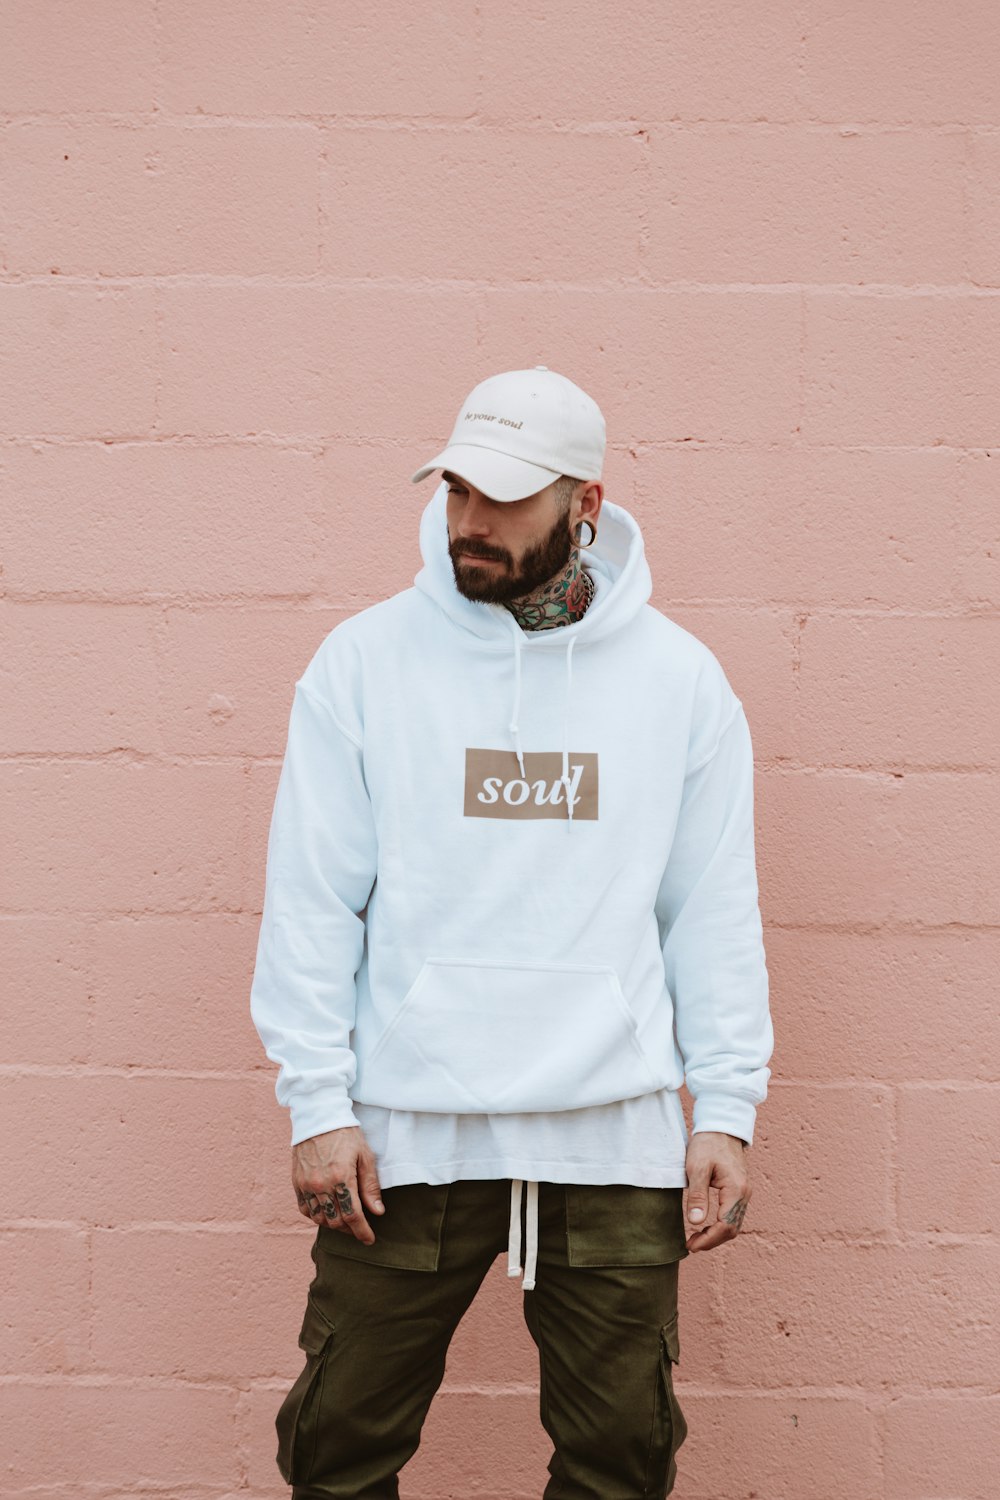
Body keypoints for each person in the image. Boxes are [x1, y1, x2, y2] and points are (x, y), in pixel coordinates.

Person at [249, 365, 774, 1499]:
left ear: (585, 503)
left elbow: (710, 911)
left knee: (619, 1459)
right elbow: (309, 901)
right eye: (454, 493)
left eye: (504, 499)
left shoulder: (679, 682)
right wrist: (317, 1107)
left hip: (612, 1138)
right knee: (335, 1447)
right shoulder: (364, 665)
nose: (470, 525)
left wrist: (723, 1107)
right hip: (407, 1137)